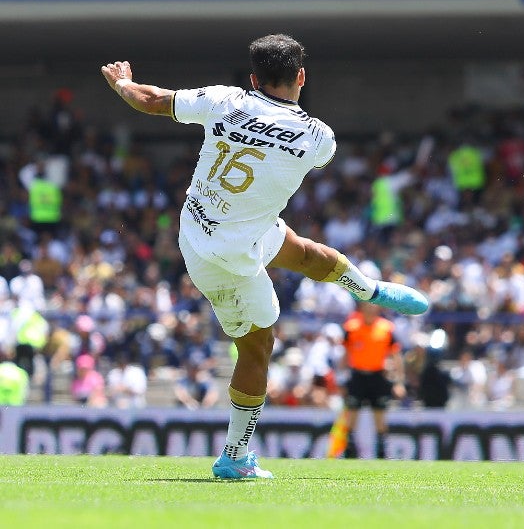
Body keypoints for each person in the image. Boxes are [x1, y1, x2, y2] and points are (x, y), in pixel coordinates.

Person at [100, 34, 429, 479]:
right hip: (224, 258)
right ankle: (234, 456)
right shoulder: (319, 137)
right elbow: (303, 158)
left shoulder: (224, 99)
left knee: (307, 252)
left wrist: (122, 84)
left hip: (205, 226)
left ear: (253, 77)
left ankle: (369, 290)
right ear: (302, 77)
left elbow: (152, 99)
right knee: (257, 349)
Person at [341, 302, 405, 459]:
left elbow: (396, 356)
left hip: (378, 376)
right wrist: (341, 377)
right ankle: (350, 450)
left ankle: (382, 451)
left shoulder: (386, 328)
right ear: (361, 309)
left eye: (373, 308)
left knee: (380, 415)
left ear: (378, 309)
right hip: (357, 375)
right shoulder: (351, 327)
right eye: (367, 308)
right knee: (351, 414)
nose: (370, 310)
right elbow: (345, 354)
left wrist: (399, 382)